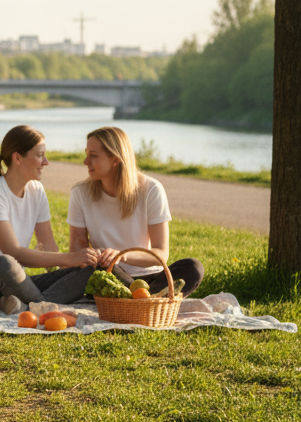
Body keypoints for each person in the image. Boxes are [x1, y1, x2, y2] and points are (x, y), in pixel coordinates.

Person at [0, 125, 98, 313]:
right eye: (40, 155)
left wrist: (65, 270)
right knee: (4, 263)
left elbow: (48, 245)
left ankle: (23, 305)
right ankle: (41, 306)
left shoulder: (36, 191)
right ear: (17, 158)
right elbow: (13, 252)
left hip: (16, 282)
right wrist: (71, 257)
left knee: (92, 269)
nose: (46, 162)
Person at [69, 126, 204, 296]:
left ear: (115, 159)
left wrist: (122, 255)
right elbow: (77, 245)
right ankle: (146, 300)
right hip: (109, 275)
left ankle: (140, 298)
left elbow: (161, 253)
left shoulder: (151, 189)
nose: (85, 161)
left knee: (193, 267)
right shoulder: (80, 192)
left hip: (150, 277)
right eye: (87, 154)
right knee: (94, 272)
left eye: (93, 155)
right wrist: (87, 256)